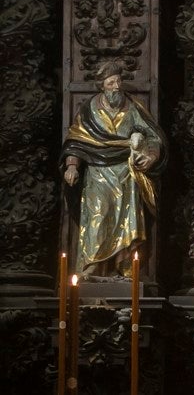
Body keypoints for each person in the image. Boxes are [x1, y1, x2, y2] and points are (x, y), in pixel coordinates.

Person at [60, 62, 165, 278]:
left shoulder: (133, 107)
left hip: (126, 172)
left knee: (127, 221)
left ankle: (125, 266)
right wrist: (72, 165)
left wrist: (150, 157)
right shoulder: (89, 109)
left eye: (118, 81)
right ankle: (92, 265)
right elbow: (76, 141)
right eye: (111, 83)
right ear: (102, 86)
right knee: (98, 217)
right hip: (97, 173)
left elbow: (153, 137)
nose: (116, 86)